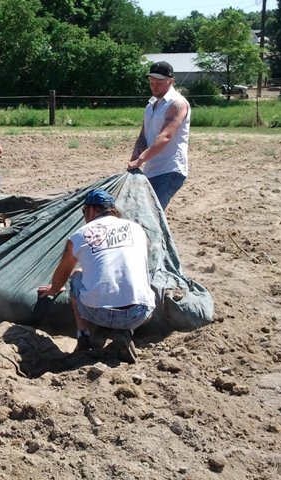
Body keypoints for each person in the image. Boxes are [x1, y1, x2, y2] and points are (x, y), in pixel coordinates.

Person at [37, 190, 155, 363]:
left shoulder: (79, 235)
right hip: (138, 314)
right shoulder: (137, 229)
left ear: (91, 210)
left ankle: (83, 336)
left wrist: (54, 289)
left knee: (76, 276)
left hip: (97, 312)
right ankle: (124, 332)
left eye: (84, 212)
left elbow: (63, 271)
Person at [127, 61, 191, 210]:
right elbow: (143, 136)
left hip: (170, 169)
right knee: (146, 212)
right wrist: (134, 157)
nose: (154, 86)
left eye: (159, 82)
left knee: (152, 213)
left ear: (171, 81)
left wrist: (140, 159)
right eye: (152, 82)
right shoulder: (150, 105)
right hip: (151, 169)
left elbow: (165, 136)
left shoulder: (177, 104)